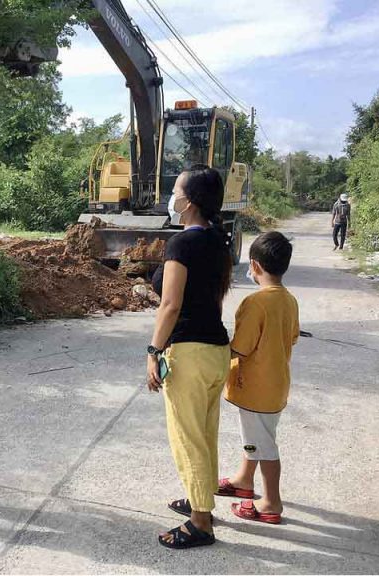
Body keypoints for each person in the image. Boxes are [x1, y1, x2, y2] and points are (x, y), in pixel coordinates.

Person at [147, 167, 233, 549]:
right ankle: (202, 500)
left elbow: (170, 304)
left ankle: (200, 522)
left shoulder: (181, 244)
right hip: (216, 351)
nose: (173, 195)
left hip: (189, 354)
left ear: (190, 201)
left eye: (177, 189)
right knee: (206, 433)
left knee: (188, 437)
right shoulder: (219, 241)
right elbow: (214, 299)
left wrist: (153, 351)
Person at [216, 231, 300, 525]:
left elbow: (241, 347)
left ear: (254, 265)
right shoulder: (289, 300)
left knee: (261, 445)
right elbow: (292, 337)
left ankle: (271, 502)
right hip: (276, 386)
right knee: (258, 437)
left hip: (255, 389)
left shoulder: (255, 303)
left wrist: (214, 357)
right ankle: (244, 479)